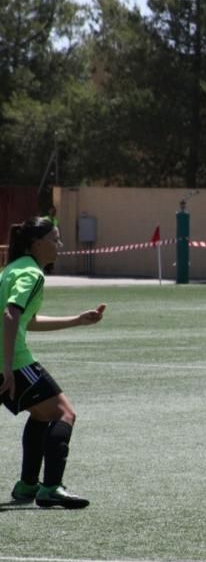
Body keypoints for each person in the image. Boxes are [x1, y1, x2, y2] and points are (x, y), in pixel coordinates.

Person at [2, 217, 106, 508]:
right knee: (65, 413)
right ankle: (50, 488)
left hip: (7, 359)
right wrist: (8, 367)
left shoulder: (13, 268)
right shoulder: (31, 274)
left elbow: (25, 321)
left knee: (41, 414)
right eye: (55, 239)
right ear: (36, 243)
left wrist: (77, 320)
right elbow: (10, 315)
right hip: (12, 361)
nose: (59, 245)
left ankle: (27, 486)